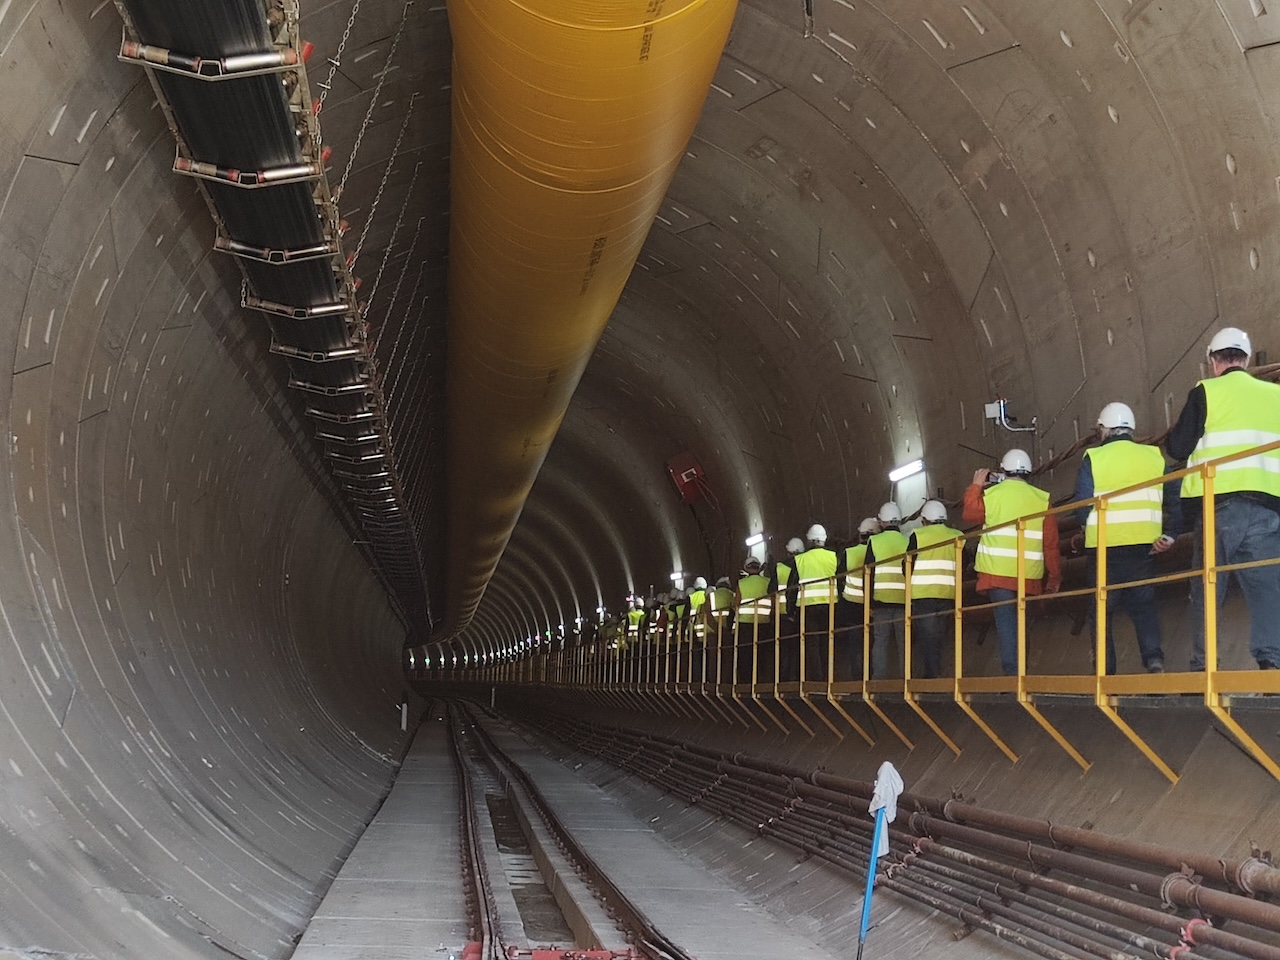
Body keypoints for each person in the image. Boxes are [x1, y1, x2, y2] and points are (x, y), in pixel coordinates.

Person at [1166, 327, 1280, 671]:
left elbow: (1176, 448)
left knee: (1208, 587)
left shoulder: (1206, 393)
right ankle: (1271, 664)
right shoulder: (1274, 395)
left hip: (1220, 507)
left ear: (1214, 361)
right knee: (1266, 590)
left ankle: (1205, 666)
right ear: (1244, 359)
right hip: (1267, 508)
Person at [1072, 402, 1180, 674]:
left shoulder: (1094, 458)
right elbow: (1176, 499)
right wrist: (1171, 534)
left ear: (1104, 429)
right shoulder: (1153, 456)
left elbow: (1081, 503)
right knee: (1143, 606)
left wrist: (1086, 527)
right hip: (1144, 547)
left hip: (1105, 549)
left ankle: (1105, 672)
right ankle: (1154, 661)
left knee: (1101, 611)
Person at [963, 449, 1062, 675]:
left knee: (1006, 625)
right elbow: (1051, 543)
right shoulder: (1042, 499)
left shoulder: (992, 495)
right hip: (1029, 576)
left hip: (997, 575)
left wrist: (976, 485)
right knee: (1022, 625)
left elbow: (970, 514)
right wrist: (1054, 577)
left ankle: (1011, 677)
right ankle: (1021, 674)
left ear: (1003, 471)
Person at [906, 500, 963, 679]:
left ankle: (932, 676)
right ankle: (941, 674)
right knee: (940, 637)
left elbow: (907, 565)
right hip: (948, 594)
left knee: (928, 638)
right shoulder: (957, 536)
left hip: (923, 595)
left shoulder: (918, 535)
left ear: (924, 520)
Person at [867, 503, 909, 679]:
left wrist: (868, 602)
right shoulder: (907, 540)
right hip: (903, 600)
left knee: (880, 642)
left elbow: (868, 573)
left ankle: (878, 682)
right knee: (904, 643)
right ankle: (906, 680)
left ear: (881, 522)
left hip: (881, 601)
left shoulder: (874, 541)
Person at [794, 524, 840, 681]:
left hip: (808, 607)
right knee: (828, 640)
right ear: (824, 540)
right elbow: (841, 580)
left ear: (808, 540)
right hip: (829, 605)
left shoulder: (800, 560)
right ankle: (829, 677)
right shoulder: (833, 557)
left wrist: (791, 610)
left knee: (812, 643)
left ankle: (817, 678)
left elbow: (792, 587)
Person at [837, 517, 879, 679]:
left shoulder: (849, 553)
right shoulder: (877, 550)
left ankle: (857, 677)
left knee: (855, 644)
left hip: (851, 605)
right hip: (873, 604)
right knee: (872, 643)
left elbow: (839, 579)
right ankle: (871, 675)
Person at [735, 557, 774, 682]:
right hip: (764, 623)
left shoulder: (741, 583)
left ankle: (746, 680)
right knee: (762, 653)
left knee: (746, 654)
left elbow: (736, 604)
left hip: (745, 624)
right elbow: (773, 602)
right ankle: (761, 679)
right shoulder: (768, 582)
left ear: (746, 568)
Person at [775, 536, 805, 680]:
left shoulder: (779, 567)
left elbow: (771, 590)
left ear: (788, 552)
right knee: (799, 647)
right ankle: (799, 678)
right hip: (801, 612)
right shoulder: (804, 564)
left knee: (784, 649)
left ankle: (783, 680)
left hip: (783, 614)